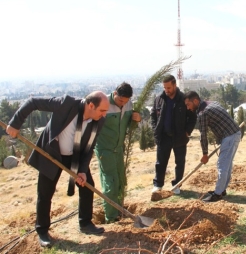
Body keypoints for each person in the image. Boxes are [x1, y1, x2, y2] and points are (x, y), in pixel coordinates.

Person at [6, 91, 109, 248]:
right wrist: (15, 123)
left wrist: (82, 170)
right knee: (45, 193)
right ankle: (42, 231)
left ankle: (86, 223)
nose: (104, 115)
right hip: (52, 154)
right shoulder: (65, 104)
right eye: (102, 110)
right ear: (90, 105)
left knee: (87, 187)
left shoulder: (99, 120)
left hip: (75, 156)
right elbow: (33, 102)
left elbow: (90, 148)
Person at [94, 82, 141, 223]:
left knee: (120, 181)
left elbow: (130, 126)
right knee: (110, 183)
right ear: (115, 94)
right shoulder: (103, 105)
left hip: (119, 149)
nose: (122, 104)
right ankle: (111, 217)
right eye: (120, 100)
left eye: (125, 101)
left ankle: (119, 211)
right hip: (105, 150)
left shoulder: (128, 105)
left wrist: (137, 120)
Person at [184, 91, 241, 202]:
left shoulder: (203, 113)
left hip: (229, 137)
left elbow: (203, 135)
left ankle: (218, 194)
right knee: (226, 164)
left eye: (188, 104)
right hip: (234, 133)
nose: (188, 108)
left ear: (195, 101)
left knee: (222, 164)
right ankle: (222, 189)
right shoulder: (211, 103)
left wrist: (205, 154)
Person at [151, 75, 197, 195]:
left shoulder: (183, 99)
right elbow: (153, 116)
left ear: (175, 85)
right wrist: (155, 129)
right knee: (160, 162)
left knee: (180, 163)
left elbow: (192, 117)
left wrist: (187, 131)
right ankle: (158, 185)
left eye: (169, 87)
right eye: (165, 88)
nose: (167, 90)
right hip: (163, 137)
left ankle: (177, 185)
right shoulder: (159, 99)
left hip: (180, 137)